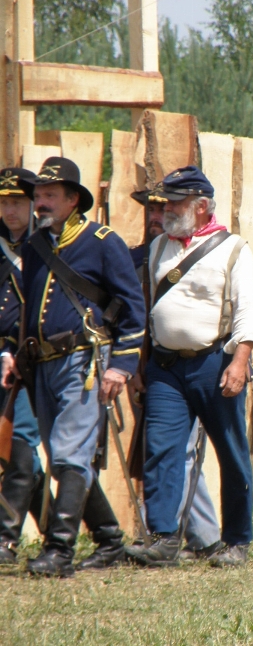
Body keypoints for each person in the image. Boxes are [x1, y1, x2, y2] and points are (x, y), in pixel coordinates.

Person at [0, 157, 146, 578]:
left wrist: (120, 366)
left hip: (85, 360)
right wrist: (13, 352)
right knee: (67, 455)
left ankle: (59, 550)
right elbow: (27, 310)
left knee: (68, 453)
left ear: (72, 200)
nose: (39, 203)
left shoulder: (102, 241)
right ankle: (108, 539)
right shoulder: (34, 245)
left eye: (48, 196)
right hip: (41, 364)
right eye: (38, 196)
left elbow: (132, 310)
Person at [125, 167, 253, 568]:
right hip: (164, 368)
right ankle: (164, 537)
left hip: (214, 363)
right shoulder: (157, 249)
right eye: (165, 202)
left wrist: (240, 361)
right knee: (161, 451)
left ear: (201, 207)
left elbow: (248, 314)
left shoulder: (233, 248)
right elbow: (149, 313)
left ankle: (236, 539)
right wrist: (138, 364)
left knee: (232, 452)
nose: (165, 209)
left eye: (175, 202)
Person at [129, 186, 223, 561]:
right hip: (147, 365)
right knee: (165, 453)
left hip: (188, 362)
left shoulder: (199, 252)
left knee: (179, 452)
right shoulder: (137, 257)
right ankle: (198, 536)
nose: (157, 215)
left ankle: (199, 536)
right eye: (152, 208)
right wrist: (133, 366)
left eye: (162, 207)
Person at [0, 168, 45, 566]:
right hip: (1, 358)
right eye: (4, 202)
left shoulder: (44, 247)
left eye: (16, 201)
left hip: (31, 359)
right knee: (22, 452)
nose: (9, 209)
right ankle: (105, 532)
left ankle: (6, 538)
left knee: (19, 444)